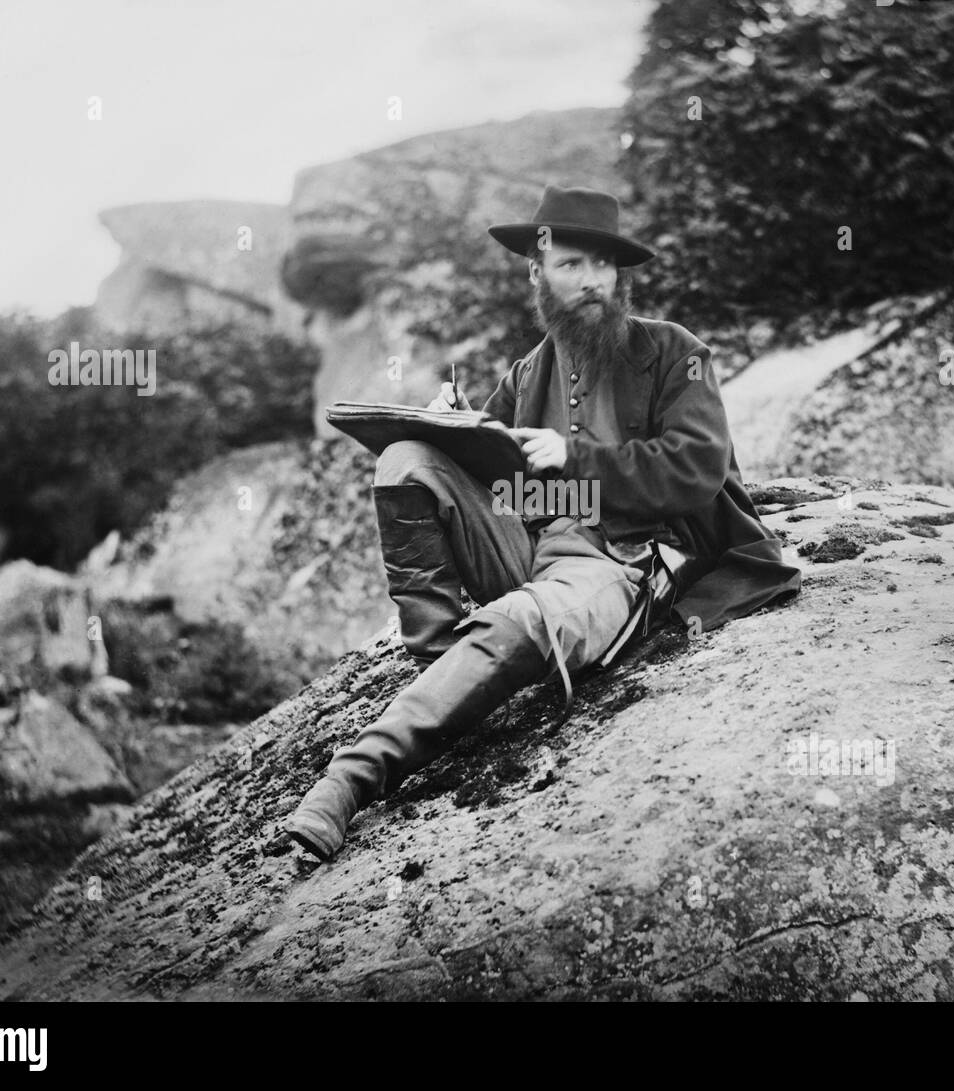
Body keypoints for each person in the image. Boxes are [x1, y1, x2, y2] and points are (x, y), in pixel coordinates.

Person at [285, 184, 801, 863]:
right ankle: (442, 662)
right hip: (528, 544)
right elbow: (497, 474)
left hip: (618, 561)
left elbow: (697, 468)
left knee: (519, 618)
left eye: (603, 264)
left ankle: (351, 778)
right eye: (571, 265)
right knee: (406, 459)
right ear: (537, 274)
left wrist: (576, 457)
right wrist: (454, 427)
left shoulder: (675, 351)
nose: (591, 281)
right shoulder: (528, 373)